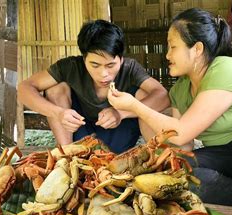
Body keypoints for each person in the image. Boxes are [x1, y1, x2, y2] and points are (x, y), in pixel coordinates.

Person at [107, 8, 232, 207]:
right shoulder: (180, 90)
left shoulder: (225, 68)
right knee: (178, 171)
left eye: (173, 47)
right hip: (231, 156)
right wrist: (152, 154)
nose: (167, 55)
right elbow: (183, 146)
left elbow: (181, 133)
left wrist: (135, 106)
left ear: (197, 49)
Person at [18, 20, 169, 153]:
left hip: (119, 135)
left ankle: (155, 155)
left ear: (121, 59)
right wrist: (58, 113)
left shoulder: (130, 68)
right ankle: (66, 157)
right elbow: (24, 88)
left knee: (143, 94)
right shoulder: (70, 66)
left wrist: (120, 113)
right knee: (55, 88)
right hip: (79, 133)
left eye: (110, 65)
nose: (104, 74)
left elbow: (162, 95)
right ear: (84, 59)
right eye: (95, 65)